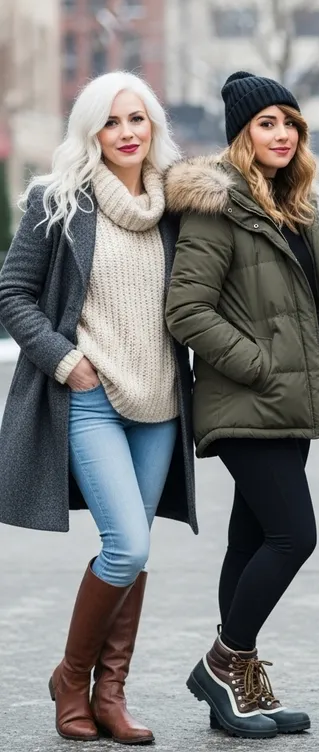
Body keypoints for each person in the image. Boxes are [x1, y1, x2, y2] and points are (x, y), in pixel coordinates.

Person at [0, 72, 196, 745]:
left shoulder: (175, 205)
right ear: (92, 132)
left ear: (154, 126)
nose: (127, 133)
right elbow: (12, 295)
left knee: (134, 556)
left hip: (161, 404)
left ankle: (109, 695)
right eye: (112, 122)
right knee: (127, 545)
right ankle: (71, 678)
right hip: (92, 397)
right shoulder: (57, 202)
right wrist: (66, 361)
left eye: (137, 119)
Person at [165, 71, 319, 740]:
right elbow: (186, 308)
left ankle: (242, 690)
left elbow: (299, 291)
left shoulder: (292, 204)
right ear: (242, 134)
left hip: (286, 400)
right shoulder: (221, 205)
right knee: (295, 535)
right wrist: (256, 365)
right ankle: (220, 665)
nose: (282, 134)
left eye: (289, 123)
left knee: (253, 539)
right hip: (251, 400)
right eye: (267, 123)